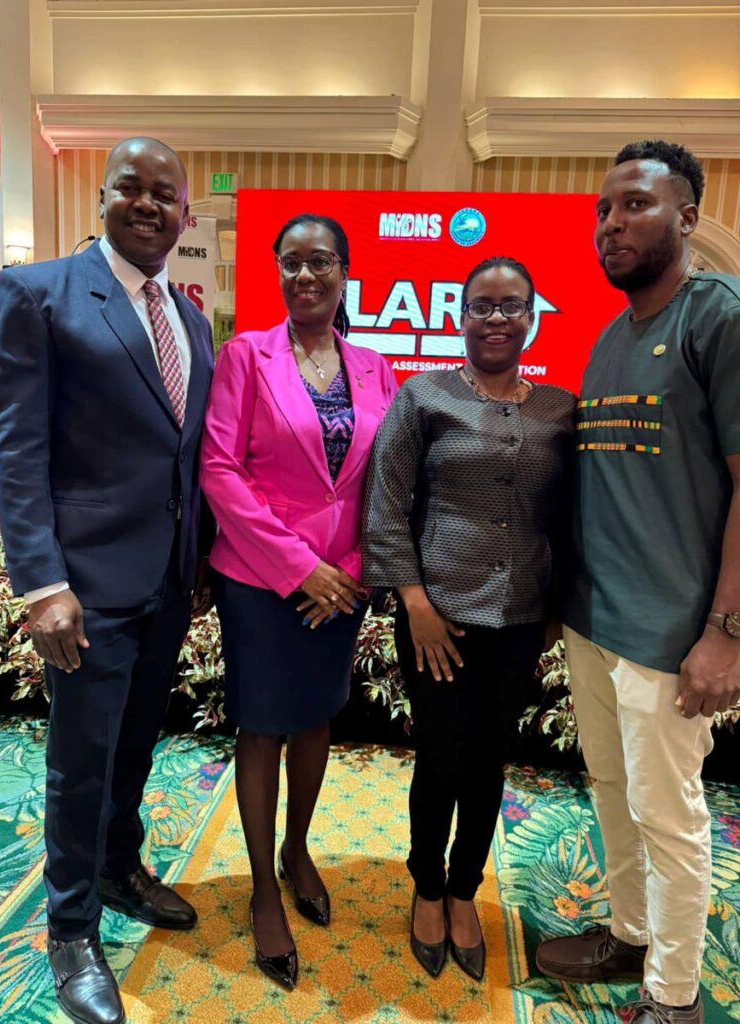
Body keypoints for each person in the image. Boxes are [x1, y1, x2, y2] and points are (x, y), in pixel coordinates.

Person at [0, 137, 214, 1024]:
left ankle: (119, 867)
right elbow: (16, 447)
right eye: (133, 188)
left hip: (164, 582)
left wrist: (195, 562)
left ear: (186, 214)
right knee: (79, 762)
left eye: (167, 194)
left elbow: (182, 455)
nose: (150, 205)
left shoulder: (189, 320)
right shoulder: (37, 293)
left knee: (135, 746)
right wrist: (41, 583)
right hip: (82, 587)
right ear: (105, 197)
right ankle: (70, 929)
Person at [535, 141, 740, 1024]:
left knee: (670, 817)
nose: (611, 225)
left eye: (635, 207)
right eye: (603, 212)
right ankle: (630, 933)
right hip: (597, 620)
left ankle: (675, 998)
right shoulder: (613, 338)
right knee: (612, 793)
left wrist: (726, 631)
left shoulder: (719, 318)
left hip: (671, 633)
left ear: (687, 217)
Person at [362, 257, 575, 980]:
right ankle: (426, 886)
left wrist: (553, 607)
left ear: (531, 316)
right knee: (442, 757)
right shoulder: (423, 398)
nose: (495, 318)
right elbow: (384, 509)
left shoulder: (559, 409)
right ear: (459, 316)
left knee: (490, 762)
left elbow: (570, 518)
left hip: (517, 621)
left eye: (510, 305)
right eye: (481, 305)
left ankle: (464, 890)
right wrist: (414, 603)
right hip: (438, 620)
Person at [200, 213, 397, 989]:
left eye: (321, 262)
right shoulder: (245, 356)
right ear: (277, 272)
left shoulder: (378, 367)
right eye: (291, 263)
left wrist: (346, 568)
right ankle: (260, 888)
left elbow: (386, 480)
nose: (305, 275)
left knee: (317, 716)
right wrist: (297, 568)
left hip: (341, 583)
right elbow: (220, 469)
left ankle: (298, 848)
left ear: (346, 273)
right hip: (259, 578)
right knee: (262, 725)